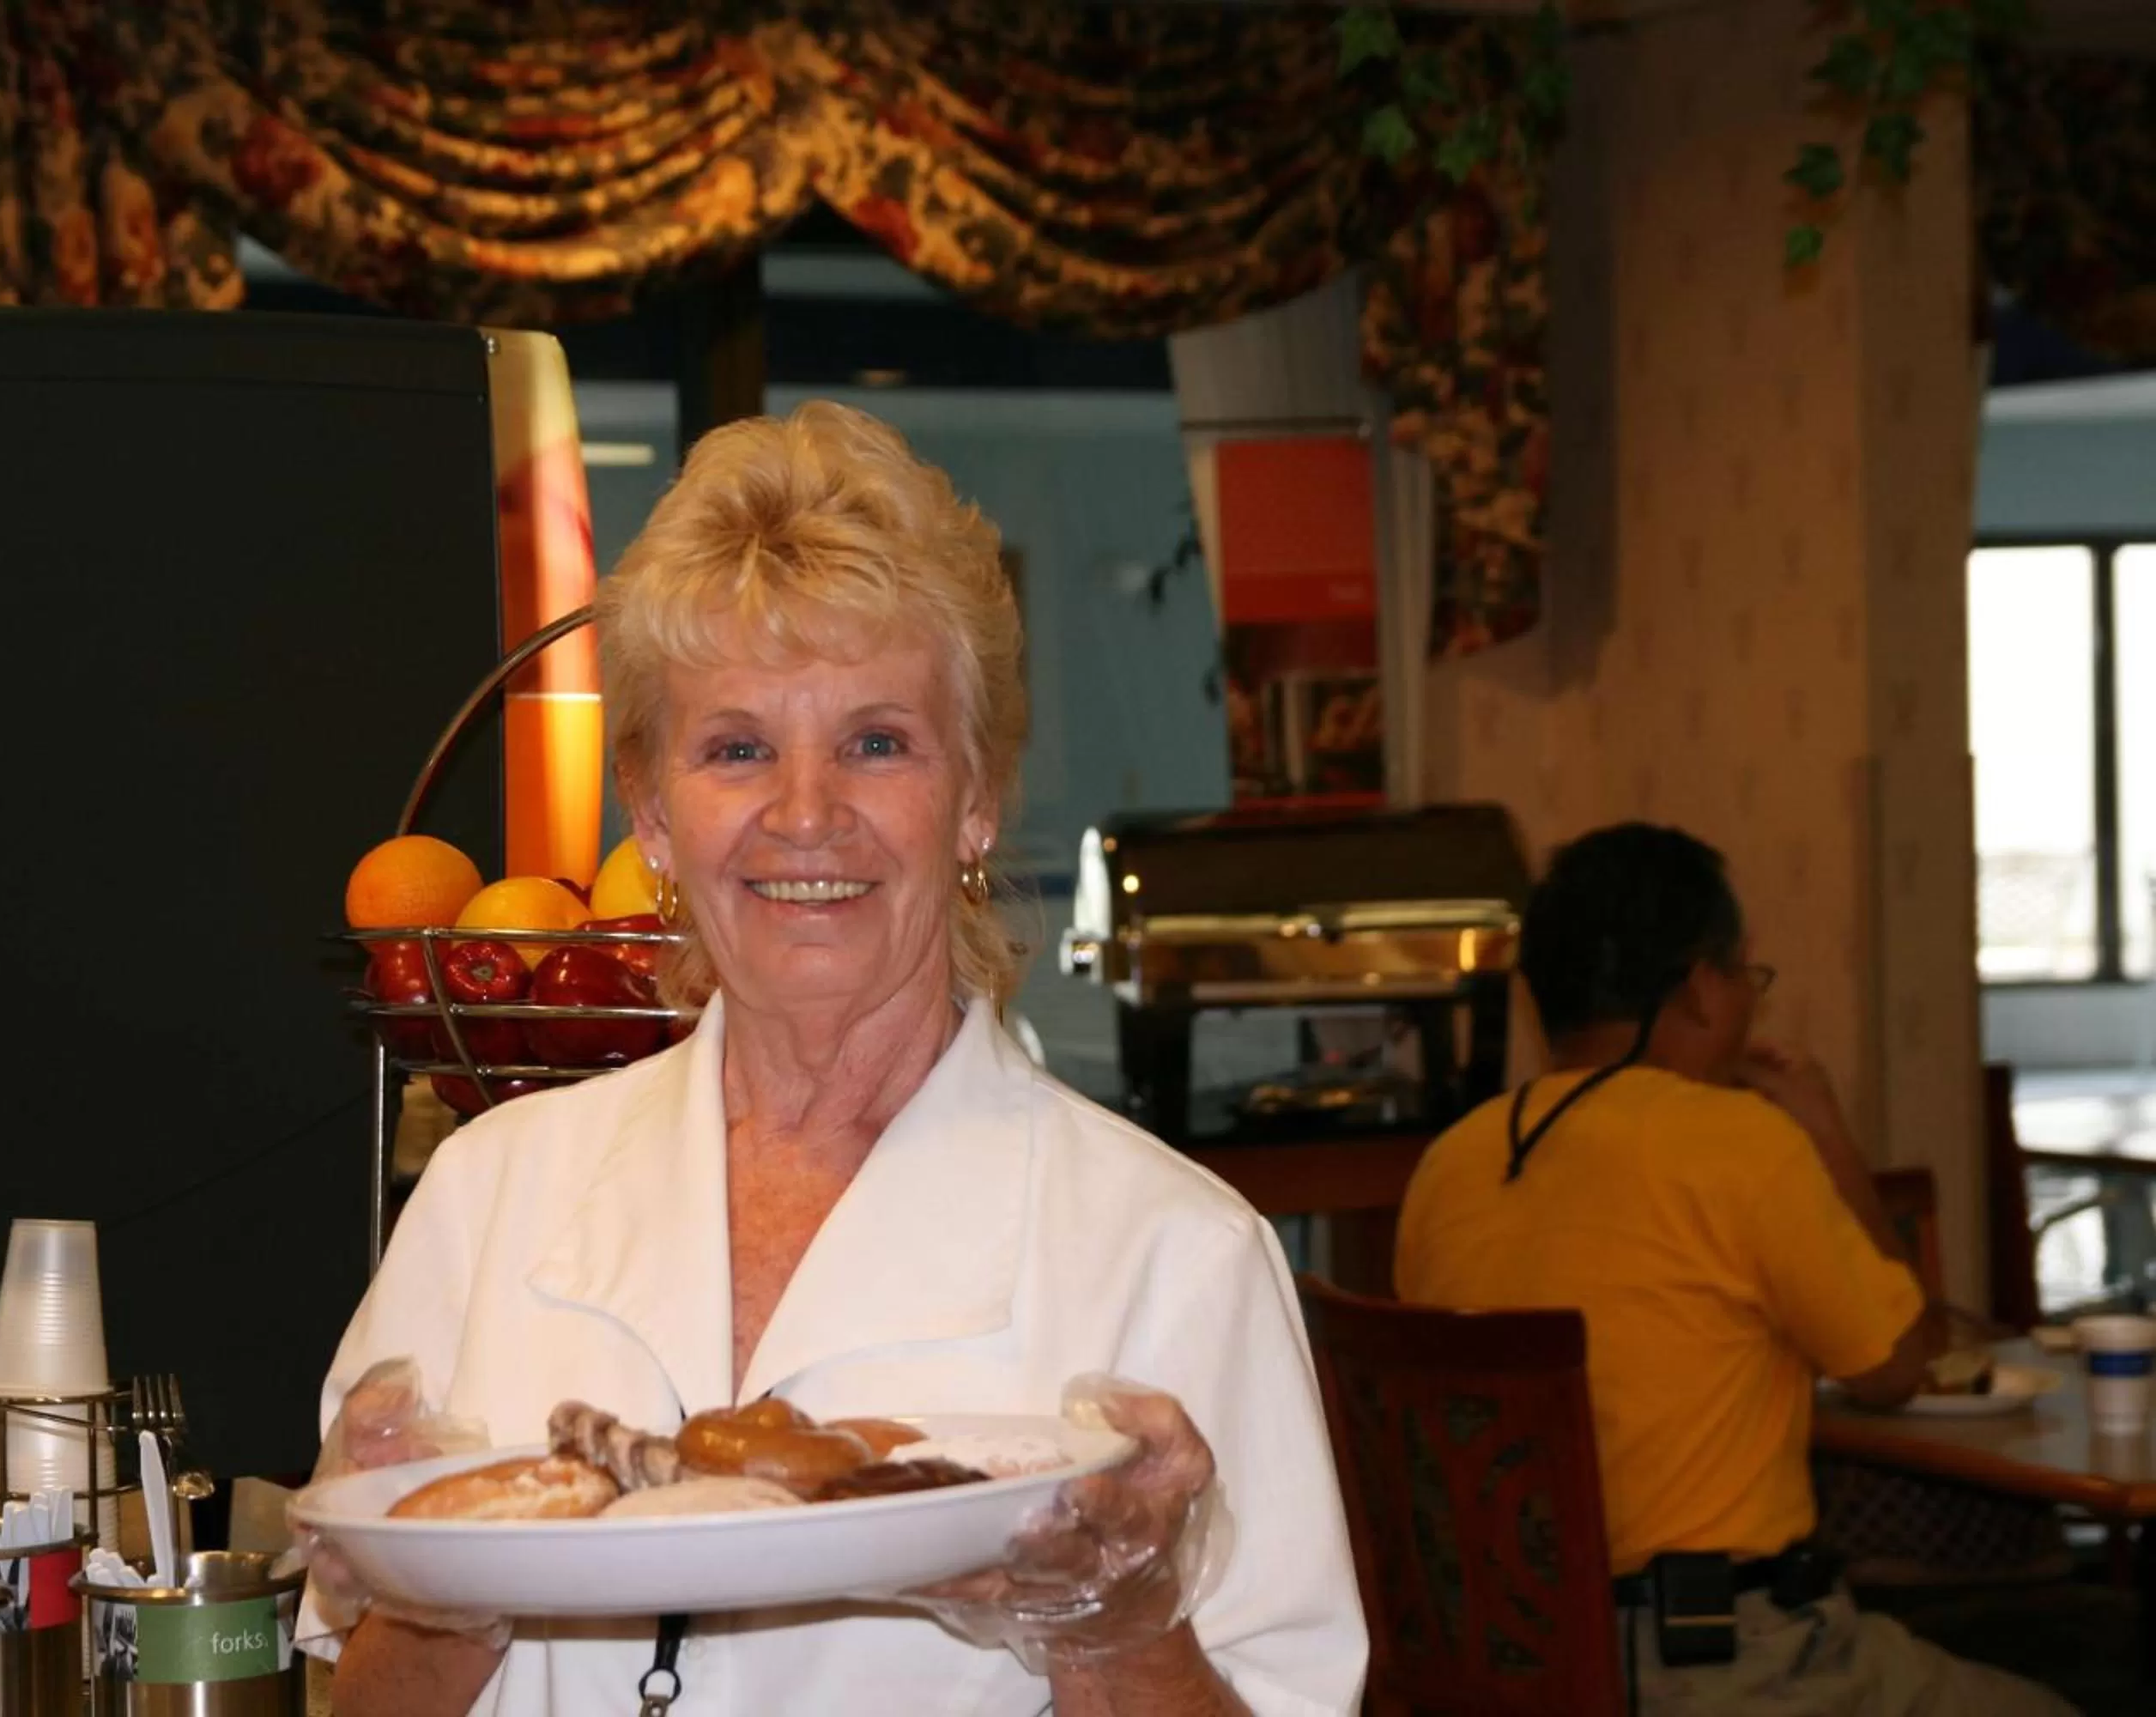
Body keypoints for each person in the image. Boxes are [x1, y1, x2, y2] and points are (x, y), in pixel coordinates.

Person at [303, 402, 1367, 1715]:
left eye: (877, 742)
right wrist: (431, 1598)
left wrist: (1114, 1621)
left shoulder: (1174, 1255)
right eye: (738, 747)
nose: (805, 815)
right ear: (652, 812)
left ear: (974, 798)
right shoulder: (484, 1199)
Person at [1395, 822, 2073, 1715]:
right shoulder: (1736, 1144)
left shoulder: (1449, 1164)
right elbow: (1902, 1362)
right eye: (1746, 975)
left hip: (1510, 1664)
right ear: (1702, 987)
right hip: (1725, 1666)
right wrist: (1824, 1130)